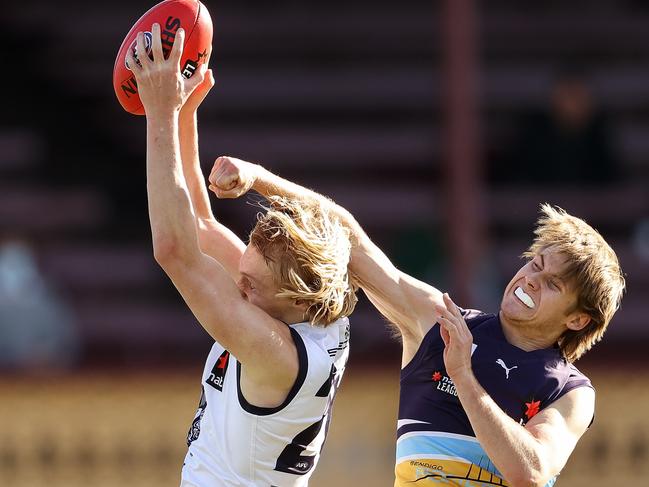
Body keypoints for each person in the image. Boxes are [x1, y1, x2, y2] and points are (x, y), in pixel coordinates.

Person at [208, 156, 626, 486]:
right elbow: (348, 236)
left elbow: (530, 471)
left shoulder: (571, 392)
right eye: (534, 265)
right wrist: (257, 177)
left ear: (577, 319)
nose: (529, 280)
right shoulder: (439, 321)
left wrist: (463, 376)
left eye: (551, 283)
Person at [126, 26, 357, 486]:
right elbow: (202, 227)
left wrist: (160, 112)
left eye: (250, 285)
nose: (239, 280)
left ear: (295, 300)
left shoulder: (280, 356)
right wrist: (185, 109)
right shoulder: (307, 300)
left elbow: (175, 250)